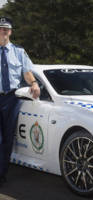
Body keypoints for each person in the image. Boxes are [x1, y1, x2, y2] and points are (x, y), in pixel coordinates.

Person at [0, 17, 40, 187]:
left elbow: (27, 72)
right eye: (0, 28)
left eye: (6, 29)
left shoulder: (19, 51)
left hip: (11, 98)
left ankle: (1, 174)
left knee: (7, 138)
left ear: (11, 31)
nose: (3, 32)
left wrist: (34, 83)